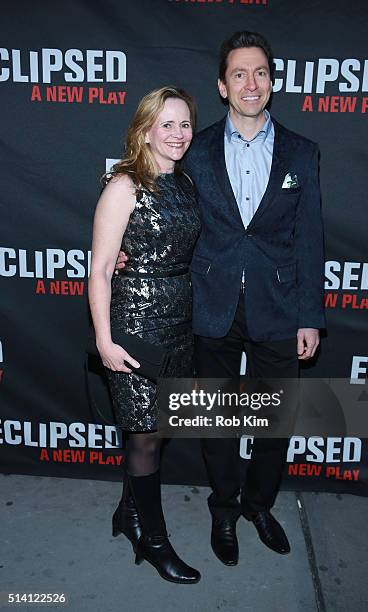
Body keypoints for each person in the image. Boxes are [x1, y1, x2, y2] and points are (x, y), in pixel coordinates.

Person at [117, 31, 325, 567]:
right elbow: (150, 191)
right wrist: (123, 250)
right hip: (208, 306)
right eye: (239, 73)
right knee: (215, 422)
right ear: (222, 86)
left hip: (279, 310)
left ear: (272, 83)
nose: (250, 83)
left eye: (259, 72)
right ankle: (225, 509)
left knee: (276, 421)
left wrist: (310, 318)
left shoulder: (303, 152)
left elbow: (310, 240)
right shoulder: (195, 147)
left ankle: (259, 505)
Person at [88, 86, 201, 584]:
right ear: (145, 129)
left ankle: (128, 515)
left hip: (179, 325)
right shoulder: (124, 186)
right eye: (167, 125)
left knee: (159, 430)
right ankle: (154, 543)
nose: (177, 135)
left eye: (185, 125)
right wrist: (105, 341)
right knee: (145, 439)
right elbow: (99, 271)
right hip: (134, 325)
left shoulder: (185, 184)